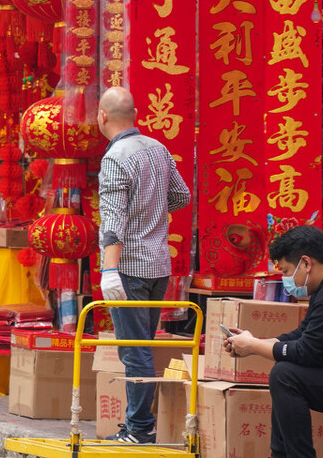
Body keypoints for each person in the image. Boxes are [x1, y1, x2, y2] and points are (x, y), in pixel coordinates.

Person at [95, 86, 191, 445]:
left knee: (134, 349)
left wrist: (108, 269)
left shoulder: (115, 157)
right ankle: (138, 425)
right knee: (141, 345)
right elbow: (181, 195)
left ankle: (139, 430)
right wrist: (152, 212)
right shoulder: (157, 148)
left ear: (103, 116)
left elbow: (113, 220)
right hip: (159, 264)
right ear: (133, 114)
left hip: (129, 267)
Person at [225, 225, 323, 458]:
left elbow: (308, 352)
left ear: (306, 263)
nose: (285, 279)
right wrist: (251, 343)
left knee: (285, 375)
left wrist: (254, 346)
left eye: (286, 271)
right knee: (285, 371)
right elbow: (302, 334)